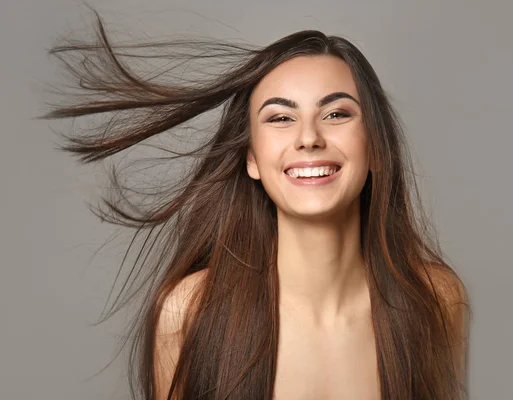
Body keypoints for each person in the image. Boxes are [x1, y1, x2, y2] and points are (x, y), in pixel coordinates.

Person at [38, 8, 471, 400]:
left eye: (336, 114)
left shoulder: (435, 300)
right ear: (251, 159)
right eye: (280, 118)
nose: (308, 137)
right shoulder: (188, 311)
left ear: (377, 146)